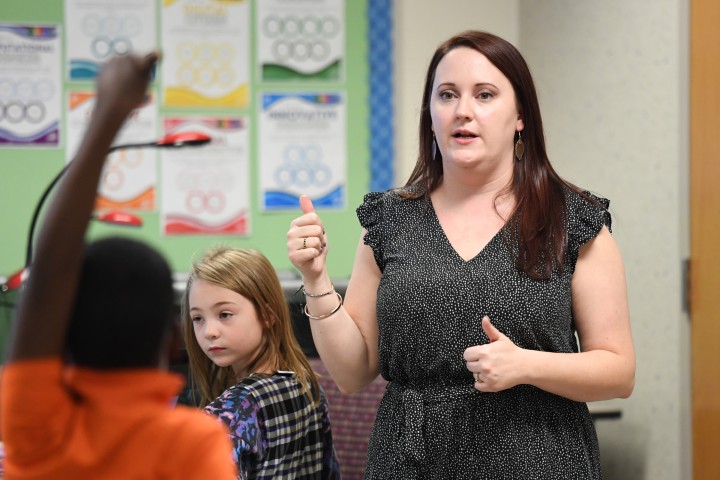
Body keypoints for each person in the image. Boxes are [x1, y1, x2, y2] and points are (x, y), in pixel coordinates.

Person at [287, 30, 636, 479]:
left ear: (520, 116)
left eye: (485, 95)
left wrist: (526, 365)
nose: (463, 111)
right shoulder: (390, 220)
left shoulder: (571, 219)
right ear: (430, 114)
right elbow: (353, 372)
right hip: (408, 460)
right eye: (447, 95)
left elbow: (618, 371)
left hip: (536, 457)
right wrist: (315, 279)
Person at [0, 53, 236, 480]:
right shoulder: (192, 441)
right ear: (173, 341)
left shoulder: (36, 426)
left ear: (60, 330)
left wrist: (108, 112)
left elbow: (49, 275)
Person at [181, 246, 341, 480]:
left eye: (224, 314)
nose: (209, 332)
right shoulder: (308, 386)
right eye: (198, 318)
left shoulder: (231, 411)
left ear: (267, 315)